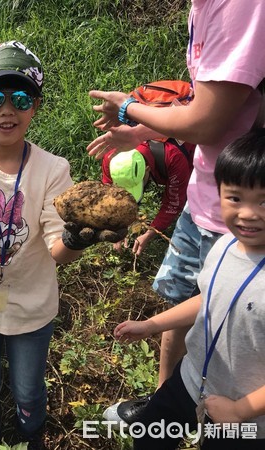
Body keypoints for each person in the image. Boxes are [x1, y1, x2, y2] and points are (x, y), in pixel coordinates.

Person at [0, 40, 125, 450]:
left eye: (21, 98)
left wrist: (77, 238)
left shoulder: (54, 170)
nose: (7, 110)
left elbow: (58, 250)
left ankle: (30, 433)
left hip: (33, 306)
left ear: (34, 107)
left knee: (28, 389)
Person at [90, 0, 265, 422]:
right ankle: (167, 401)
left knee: (242, 326)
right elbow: (212, 106)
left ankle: (227, 409)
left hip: (240, 202)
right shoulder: (202, 7)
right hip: (207, 197)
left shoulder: (243, 6)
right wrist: (139, 131)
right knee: (178, 306)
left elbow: (205, 123)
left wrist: (130, 107)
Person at [113, 129, 265, 449]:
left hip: (243, 415)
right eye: (235, 197)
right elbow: (208, 299)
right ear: (218, 193)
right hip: (191, 377)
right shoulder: (225, 245)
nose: (248, 213)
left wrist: (239, 411)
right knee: (149, 436)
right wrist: (151, 325)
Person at [101, 139, 194, 255]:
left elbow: (172, 203)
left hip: (194, 155)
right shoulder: (111, 159)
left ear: (147, 169)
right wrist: (118, 227)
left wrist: (149, 234)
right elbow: (111, 197)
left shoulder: (174, 157)